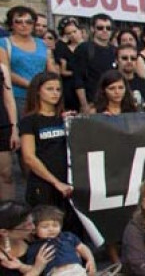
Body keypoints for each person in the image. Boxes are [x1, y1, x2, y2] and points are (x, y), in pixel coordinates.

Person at [18, 73, 81, 234]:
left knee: (71, 230)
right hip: (43, 185)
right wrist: (55, 182)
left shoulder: (66, 118)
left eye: (58, 89)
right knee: (46, 230)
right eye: (50, 89)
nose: (55, 93)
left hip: (69, 183)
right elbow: (29, 157)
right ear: (38, 91)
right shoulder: (29, 121)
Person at [0, 6, 57, 113]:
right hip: (17, 97)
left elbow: (51, 69)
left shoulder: (43, 44)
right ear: (11, 24)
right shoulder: (3, 43)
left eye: (29, 22)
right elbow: (6, 72)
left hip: (42, 97)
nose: (24, 25)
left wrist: (53, 86)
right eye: (18, 21)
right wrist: (32, 85)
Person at [25, 205, 94, 275]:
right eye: (45, 227)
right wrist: (21, 266)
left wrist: (90, 259)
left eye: (55, 225)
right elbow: (32, 268)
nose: (51, 229)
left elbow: (82, 247)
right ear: (34, 229)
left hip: (77, 270)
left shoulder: (68, 236)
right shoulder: (34, 247)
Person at [73, 13, 115, 111]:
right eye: (100, 28)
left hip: (112, 103)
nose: (105, 30)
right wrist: (84, 104)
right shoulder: (84, 48)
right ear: (92, 29)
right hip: (91, 103)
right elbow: (78, 79)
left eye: (108, 28)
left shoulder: (114, 50)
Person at [0, 200, 53, 276]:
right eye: (25, 226)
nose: (33, 227)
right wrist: (36, 270)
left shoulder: (37, 236)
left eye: (32, 221)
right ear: (4, 232)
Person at [0, 63, 18, 200]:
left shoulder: (2, 68)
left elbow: (9, 100)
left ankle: (8, 217)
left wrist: (14, 128)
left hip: (2, 124)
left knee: (6, 173)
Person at [115, 45, 145, 112]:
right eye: (124, 58)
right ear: (116, 60)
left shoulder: (144, 83)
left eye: (133, 58)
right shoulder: (109, 82)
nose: (129, 61)